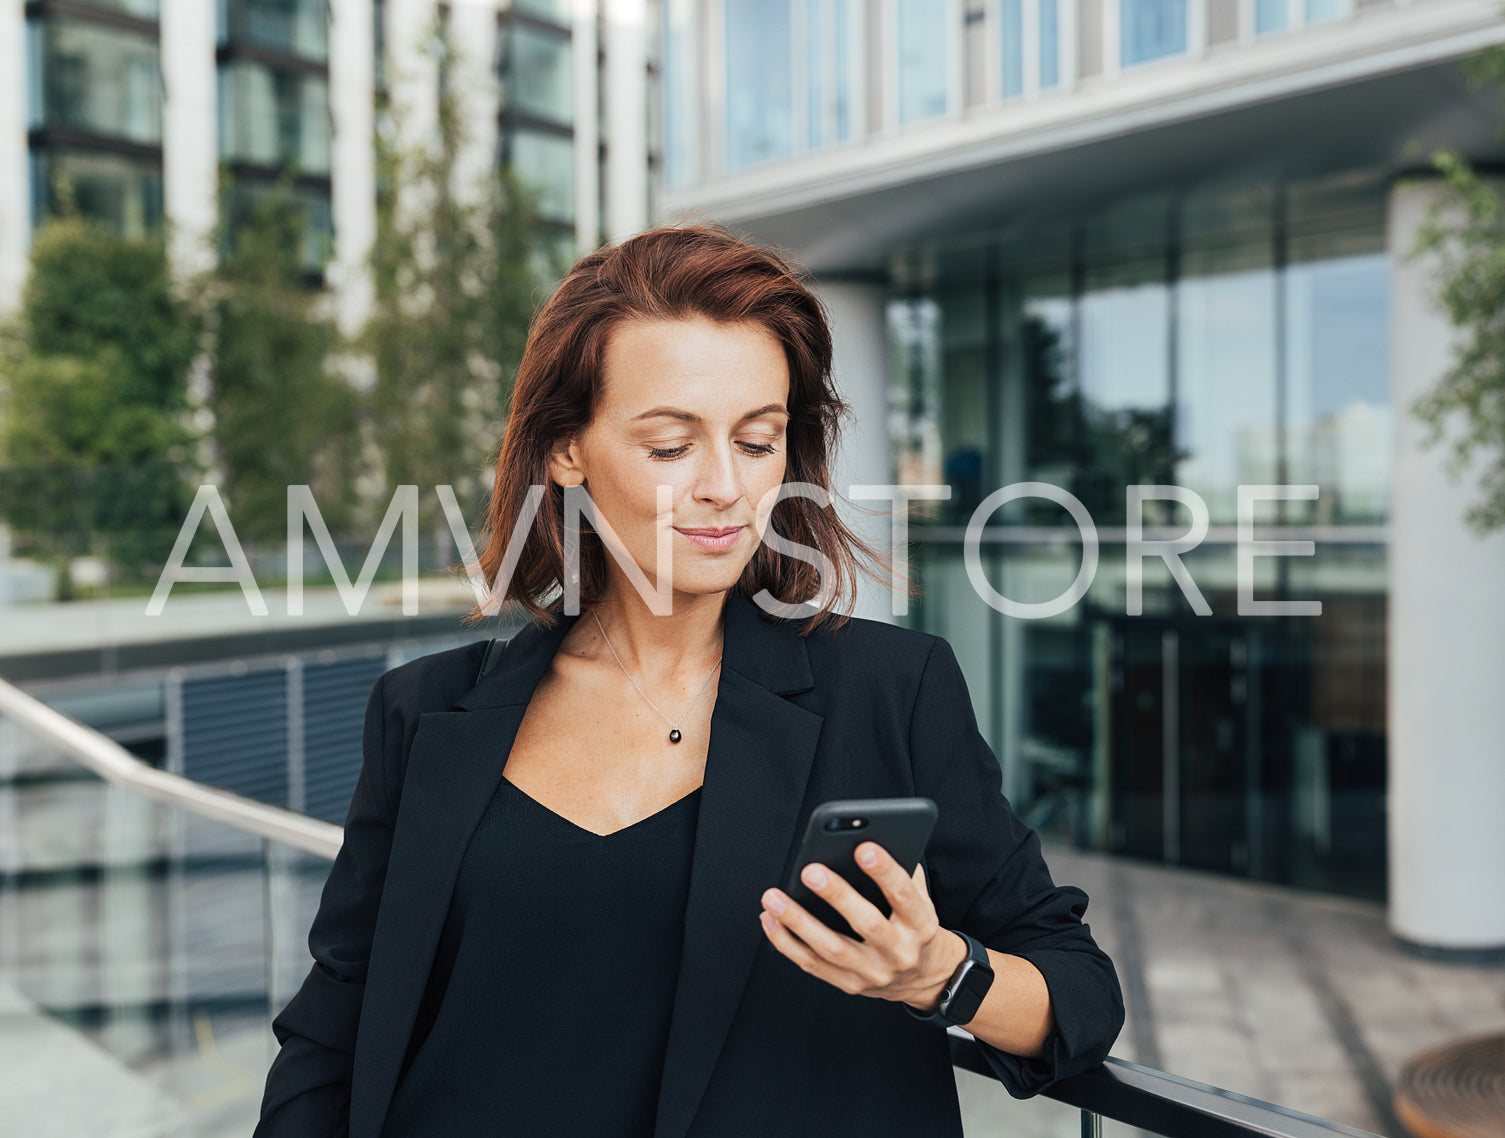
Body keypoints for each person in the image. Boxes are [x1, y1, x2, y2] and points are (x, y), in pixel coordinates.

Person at [254, 222, 1124, 1138]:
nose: (723, 486)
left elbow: (1077, 991)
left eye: (757, 441)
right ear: (566, 451)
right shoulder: (426, 712)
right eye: (670, 446)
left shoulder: (890, 691)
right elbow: (333, 1027)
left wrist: (937, 974)